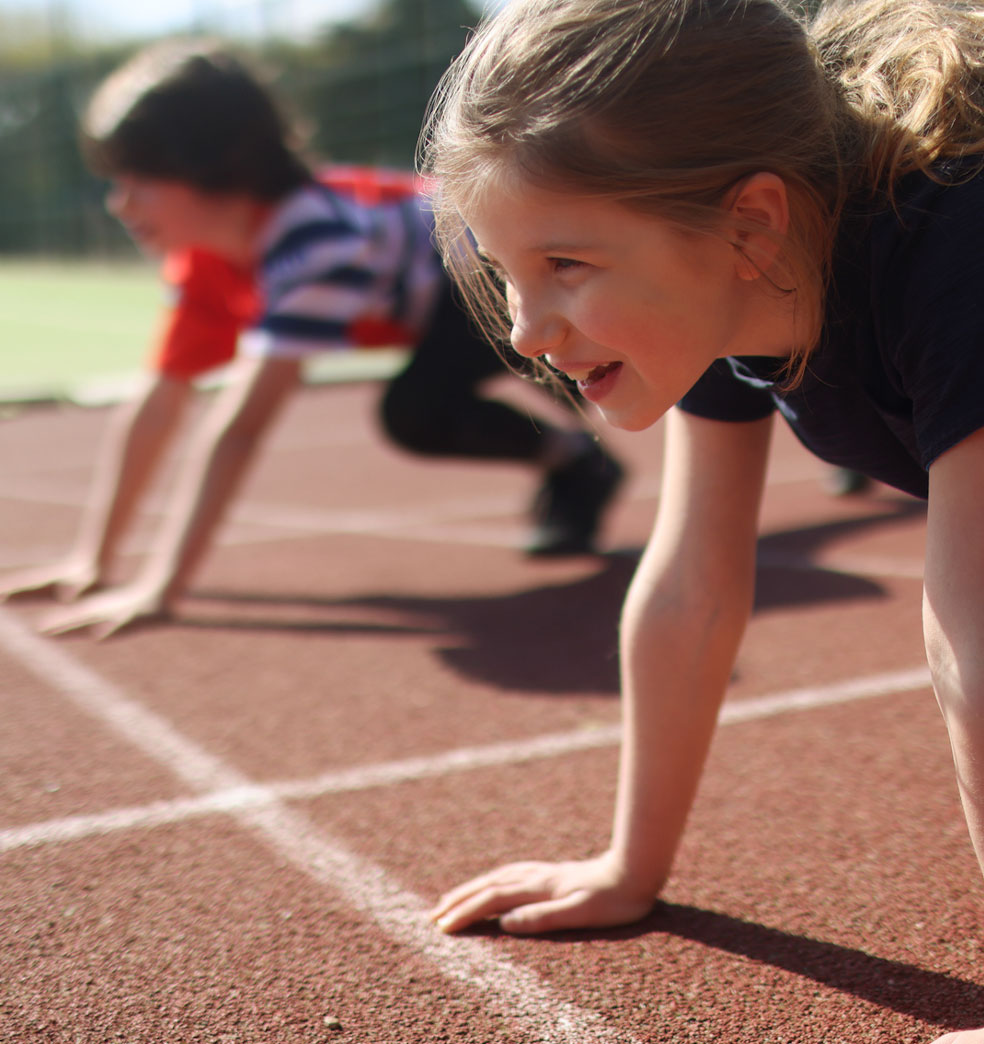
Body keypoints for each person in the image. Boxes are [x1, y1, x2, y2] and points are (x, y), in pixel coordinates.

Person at [419, 1, 984, 1041]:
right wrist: (629, 866)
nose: (526, 331)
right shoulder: (730, 285)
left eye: (566, 265)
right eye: (503, 272)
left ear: (749, 223)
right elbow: (692, 587)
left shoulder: (952, 250)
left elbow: (973, 646)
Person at [0, 39, 623, 635]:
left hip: (482, 270)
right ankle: (578, 458)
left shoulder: (310, 244)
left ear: (210, 168)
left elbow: (239, 430)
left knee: (430, 407)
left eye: (138, 179)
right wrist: (94, 561)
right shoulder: (205, 260)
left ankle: (583, 456)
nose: (119, 203)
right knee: (438, 404)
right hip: (436, 295)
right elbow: (159, 404)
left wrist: (162, 587)